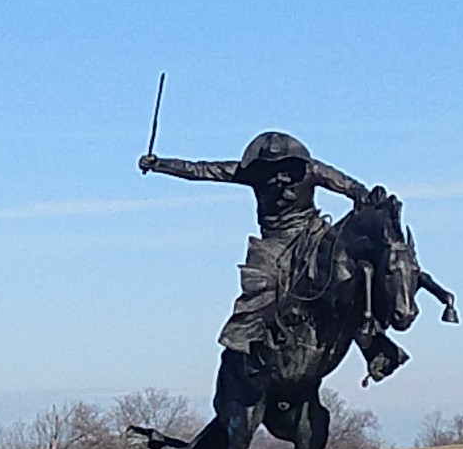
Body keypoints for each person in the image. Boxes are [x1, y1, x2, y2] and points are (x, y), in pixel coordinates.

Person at [138, 130, 407, 382]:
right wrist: (159, 164)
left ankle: (375, 343)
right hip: (274, 243)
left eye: (284, 167)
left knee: (352, 270)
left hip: (313, 232)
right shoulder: (250, 172)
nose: (279, 176)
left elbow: (349, 186)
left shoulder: (312, 169)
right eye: (271, 169)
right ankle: (247, 345)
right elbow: (202, 170)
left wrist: (367, 195)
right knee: (261, 290)